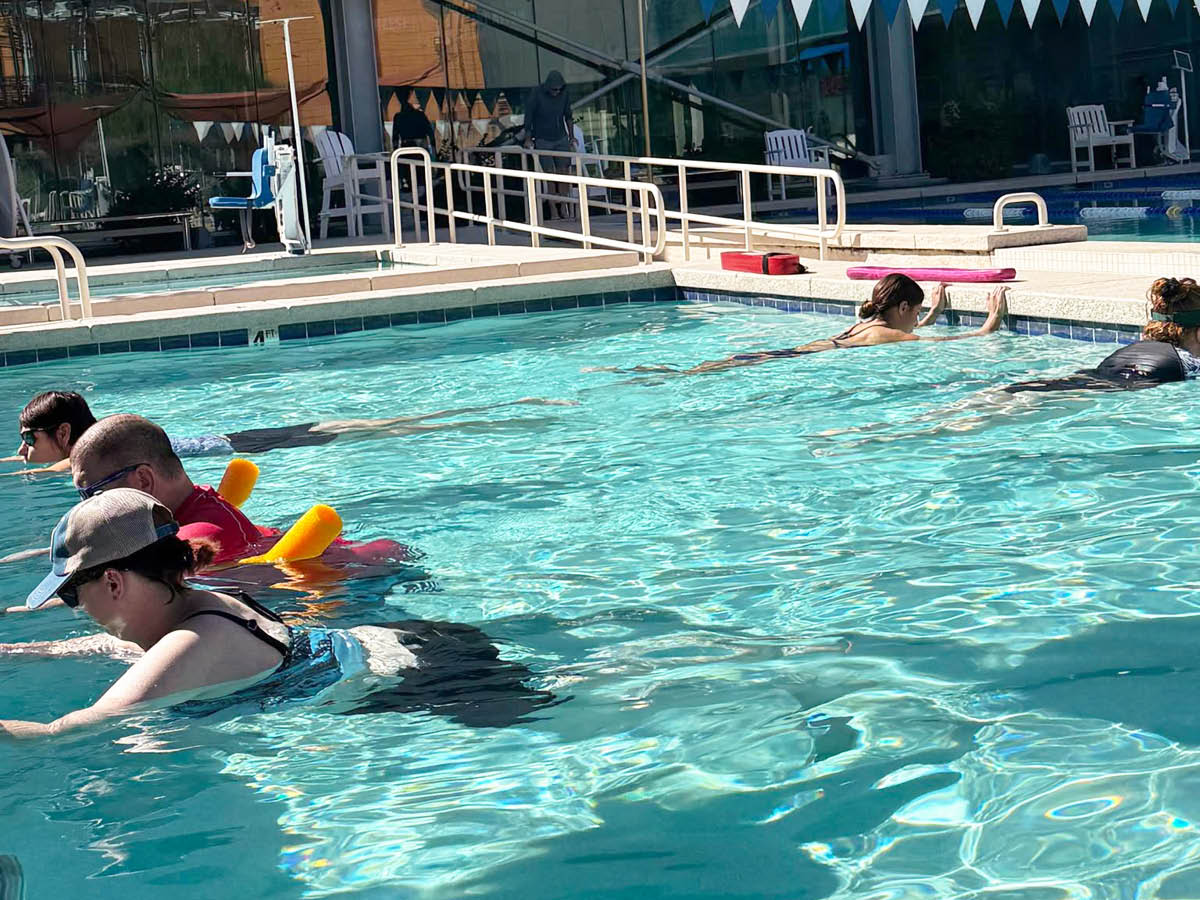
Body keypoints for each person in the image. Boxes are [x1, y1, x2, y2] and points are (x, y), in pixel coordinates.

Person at [0, 489, 555, 738]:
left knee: (591, 710)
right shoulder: (195, 605)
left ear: (115, 581)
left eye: (73, 595)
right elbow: (121, 648)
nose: (77, 613)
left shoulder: (189, 642)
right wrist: (19, 652)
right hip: (405, 644)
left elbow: (66, 731)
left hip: (425, 681)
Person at [5, 391, 576, 474]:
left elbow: (33, 467)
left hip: (246, 443)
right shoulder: (103, 441)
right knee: (375, 428)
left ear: (63, 433)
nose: (24, 452)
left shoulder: (82, 459)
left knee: (377, 432)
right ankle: (510, 407)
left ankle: (507, 413)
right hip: (240, 435)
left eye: (30, 439)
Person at [608, 276, 1008, 376]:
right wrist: (988, 326)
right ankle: (660, 375)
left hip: (797, 350)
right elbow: (947, 343)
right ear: (902, 307)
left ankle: (651, 371)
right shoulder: (887, 335)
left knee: (719, 364)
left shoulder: (867, 322)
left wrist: (933, 312)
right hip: (792, 359)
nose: (918, 318)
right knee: (710, 371)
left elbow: (916, 329)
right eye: (916, 310)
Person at [522, 70, 575, 219]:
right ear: (548, 87)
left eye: (559, 89)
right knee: (550, 174)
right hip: (543, 138)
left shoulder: (564, 94)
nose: (556, 92)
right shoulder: (536, 93)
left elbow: (569, 116)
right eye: (554, 89)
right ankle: (553, 210)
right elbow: (529, 117)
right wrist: (528, 138)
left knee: (563, 173)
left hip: (561, 137)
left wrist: (571, 137)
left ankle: (564, 207)